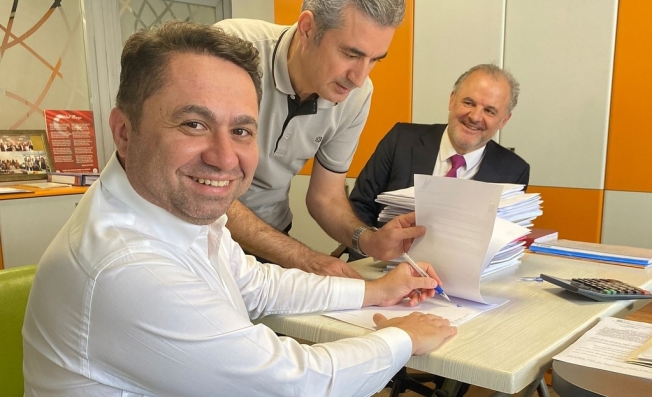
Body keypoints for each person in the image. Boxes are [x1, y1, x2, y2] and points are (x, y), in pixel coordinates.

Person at [22, 21, 457, 396]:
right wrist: (402, 338)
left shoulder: (177, 214)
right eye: (194, 124)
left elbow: (257, 284)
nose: (225, 158)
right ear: (124, 132)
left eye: (242, 130)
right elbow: (295, 385)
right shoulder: (128, 267)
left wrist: (376, 291)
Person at [215, 0, 413, 278]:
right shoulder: (229, 50)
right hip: (201, 231)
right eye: (351, 54)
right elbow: (204, 186)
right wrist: (305, 259)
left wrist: (368, 240)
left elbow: (325, 197)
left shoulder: (357, 94)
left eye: (374, 60)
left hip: (271, 239)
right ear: (307, 28)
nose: (359, 78)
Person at [350, 63, 530, 233]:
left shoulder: (514, 171)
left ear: (504, 120)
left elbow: (505, 236)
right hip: (386, 255)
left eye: (489, 111)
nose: (475, 117)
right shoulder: (400, 140)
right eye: (469, 103)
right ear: (452, 100)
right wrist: (372, 249)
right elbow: (359, 207)